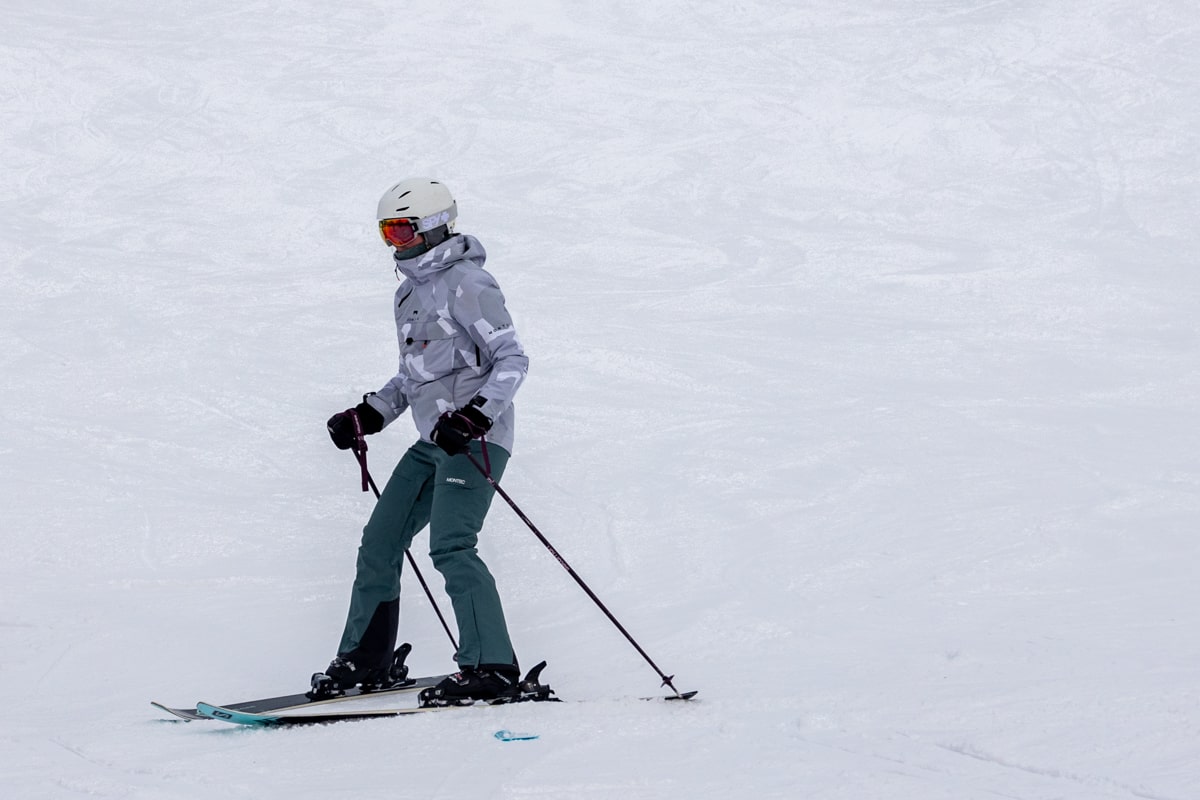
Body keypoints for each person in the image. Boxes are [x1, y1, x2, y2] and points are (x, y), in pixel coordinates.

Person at [316, 177, 529, 705]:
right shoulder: (408, 292)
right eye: (386, 231)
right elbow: (413, 378)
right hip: (433, 441)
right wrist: (370, 413)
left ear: (432, 226)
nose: (394, 242)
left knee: (453, 546)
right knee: (380, 543)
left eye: (402, 228)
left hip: (475, 441)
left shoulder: (468, 283)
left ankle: (492, 666)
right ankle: (366, 660)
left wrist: (477, 417)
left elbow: (512, 359)